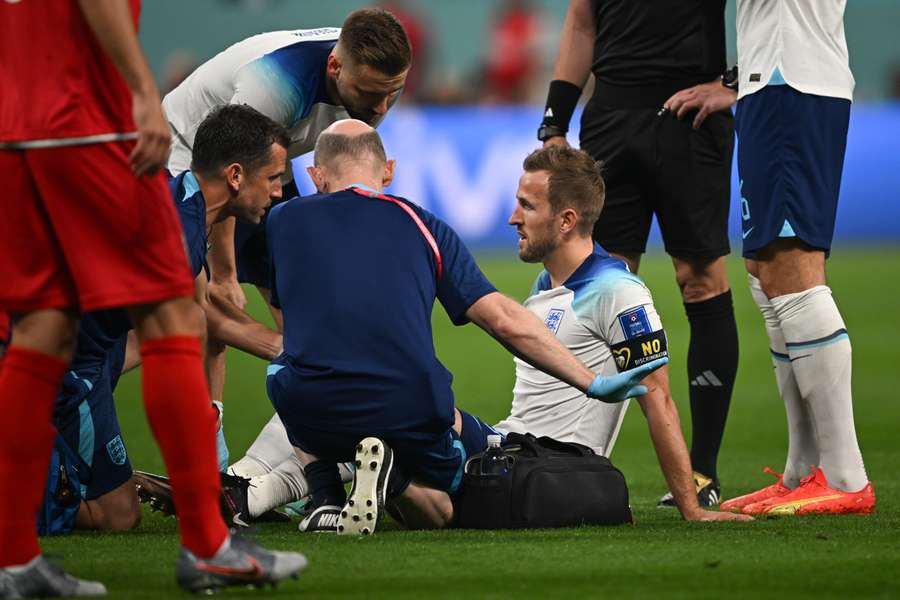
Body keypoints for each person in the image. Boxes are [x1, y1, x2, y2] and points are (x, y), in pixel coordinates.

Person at [0, 1, 304, 594]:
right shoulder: (182, 203)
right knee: (172, 315)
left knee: (42, 327)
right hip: (86, 117)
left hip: (18, 122)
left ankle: (14, 559)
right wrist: (143, 88)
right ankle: (208, 544)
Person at [264, 119, 666, 534]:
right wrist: (592, 383)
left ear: (314, 176)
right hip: (409, 407)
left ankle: (321, 496)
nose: (514, 218)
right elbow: (502, 320)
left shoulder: (281, 222)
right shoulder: (423, 225)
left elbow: (291, 319)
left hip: (313, 404)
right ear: (389, 171)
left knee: (283, 368)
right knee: (453, 501)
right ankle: (394, 473)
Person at [161, 8, 412, 466]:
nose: (380, 109)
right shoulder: (274, 87)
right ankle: (209, 454)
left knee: (300, 306)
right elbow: (228, 177)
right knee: (203, 307)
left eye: (392, 95)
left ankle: (310, 451)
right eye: (371, 94)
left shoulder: (366, 68)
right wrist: (225, 274)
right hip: (188, 156)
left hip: (269, 163)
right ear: (335, 69)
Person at [44, 105, 291, 534]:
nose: (278, 193)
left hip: (94, 349)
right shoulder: (178, 236)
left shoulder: (181, 199)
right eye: (272, 178)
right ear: (235, 176)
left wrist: (286, 350)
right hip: (72, 363)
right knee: (117, 517)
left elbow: (202, 313)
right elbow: (187, 334)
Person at [537, 0, 740, 508]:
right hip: (610, 117)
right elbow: (582, 22)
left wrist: (737, 83)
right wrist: (555, 119)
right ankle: (574, 459)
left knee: (700, 277)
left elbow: (766, 15)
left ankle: (702, 472)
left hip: (691, 118)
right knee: (601, 286)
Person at [495, 145, 749, 523]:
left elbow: (658, 396)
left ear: (566, 221)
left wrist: (692, 509)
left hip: (553, 469)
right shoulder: (544, 284)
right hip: (511, 450)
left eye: (527, 206)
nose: (513, 218)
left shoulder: (617, 290)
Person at [719, 0, 875, 516]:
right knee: (765, 272)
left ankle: (846, 476)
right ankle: (804, 470)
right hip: (772, 80)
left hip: (793, 80)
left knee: (792, 266)